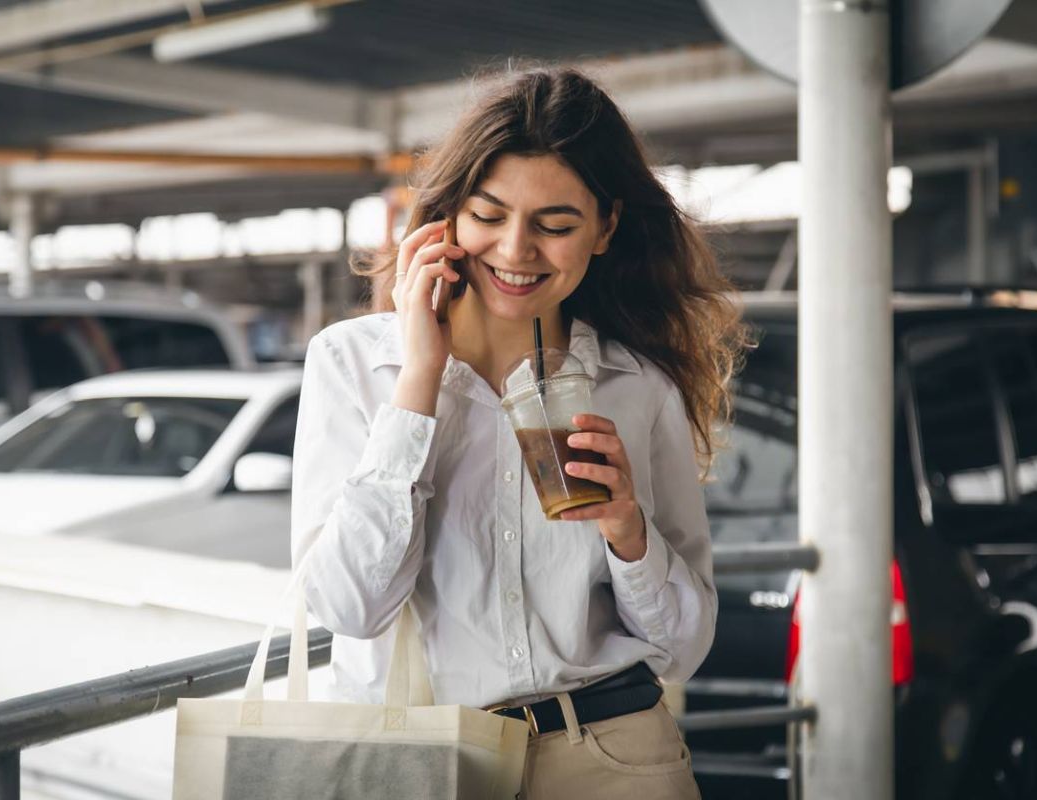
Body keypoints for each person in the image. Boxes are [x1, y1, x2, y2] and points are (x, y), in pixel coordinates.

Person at [290, 66, 746, 799]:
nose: (515, 249)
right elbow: (349, 607)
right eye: (488, 214)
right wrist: (418, 389)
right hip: (422, 761)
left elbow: (681, 649)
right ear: (446, 218)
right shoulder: (353, 365)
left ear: (605, 230)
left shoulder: (636, 387)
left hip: (613, 758)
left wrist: (627, 530)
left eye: (556, 225)